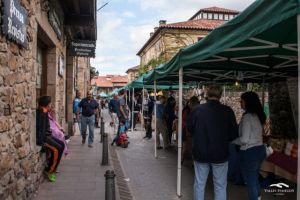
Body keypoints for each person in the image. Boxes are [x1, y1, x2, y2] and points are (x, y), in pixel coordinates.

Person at [187, 85, 238, 200]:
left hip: (200, 153)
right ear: (220, 96)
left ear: (207, 95)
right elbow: (233, 135)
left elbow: (190, 128)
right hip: (220, 154)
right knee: (220, 186)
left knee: (199, 184)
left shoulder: (197, 110)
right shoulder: (228, 111)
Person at [232, 91, 266, 200]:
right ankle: (258, 197)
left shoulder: (247, 117)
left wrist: (233, 141)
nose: (240, 103)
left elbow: (244, 139)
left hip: (249, 152)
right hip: (260, 150)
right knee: (254, 179)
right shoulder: (257, 116)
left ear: (247, 102)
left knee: (250, 182)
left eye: (241, 101)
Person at [36, 96, 65, 182]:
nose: (51, 105)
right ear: (46, 104)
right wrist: (41, 142)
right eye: (50, 103)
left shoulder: (45, 111)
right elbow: (40, 128)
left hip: (48, 136)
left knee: (62, 145)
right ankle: (50, 170)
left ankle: (53, 167)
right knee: (57, 149)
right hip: (44, 138)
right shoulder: (42, 112)